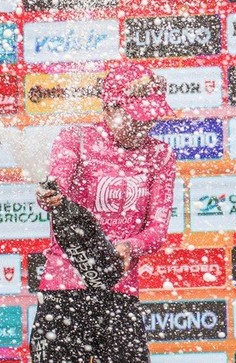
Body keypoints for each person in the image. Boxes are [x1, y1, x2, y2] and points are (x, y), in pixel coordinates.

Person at [30, 62, 177, 363]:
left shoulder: (160, 155)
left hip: (119, 293)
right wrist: (49, 195)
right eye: (136, 118)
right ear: (110, 110)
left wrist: (130, 247)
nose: (143, 127)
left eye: (150, 119)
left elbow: (157, 230)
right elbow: (57, 189)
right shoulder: (75, 139)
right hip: (64, 289)